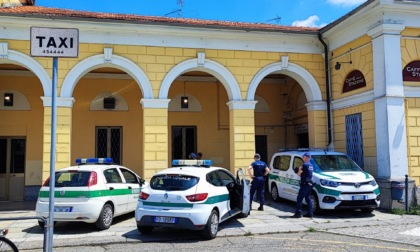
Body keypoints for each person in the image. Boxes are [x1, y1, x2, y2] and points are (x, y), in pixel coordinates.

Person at [291, 152, 314, 218]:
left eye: (303, 157)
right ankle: (310, 213)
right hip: (309, 183)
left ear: (306, 157)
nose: (303, 158)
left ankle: (298, 213)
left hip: (304, 184)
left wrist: (297, 170)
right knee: (308, 198)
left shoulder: (304, 165)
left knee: (299, 199)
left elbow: (299, 174)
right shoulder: (311, 165)